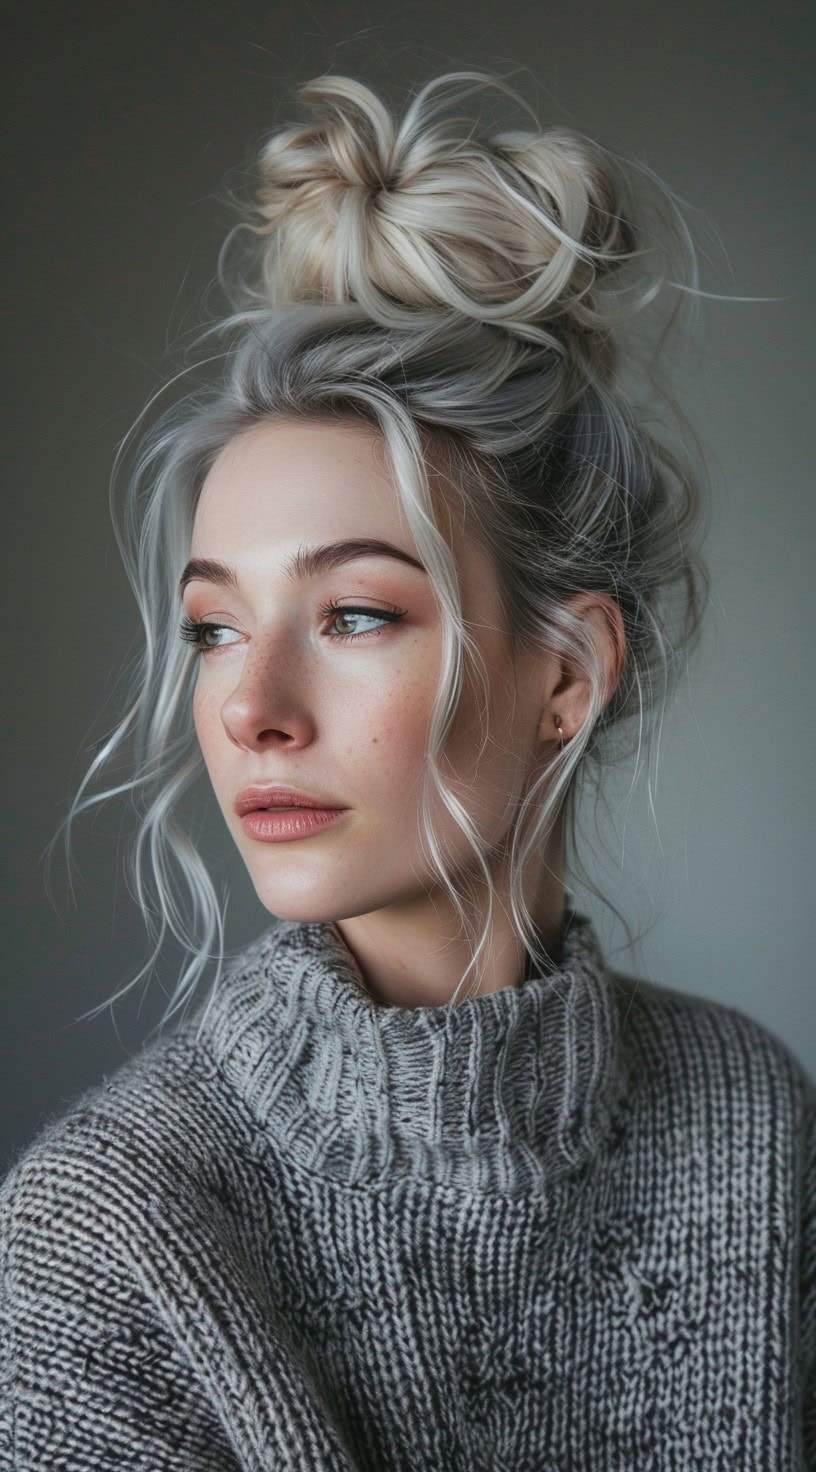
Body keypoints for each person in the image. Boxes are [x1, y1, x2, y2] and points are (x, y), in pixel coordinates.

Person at [1, 68, 813, 1470]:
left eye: (358, 613)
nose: (250, 706)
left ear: (566, 674)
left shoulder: (755, 1124)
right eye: (213, 628)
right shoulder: (109, 1227)